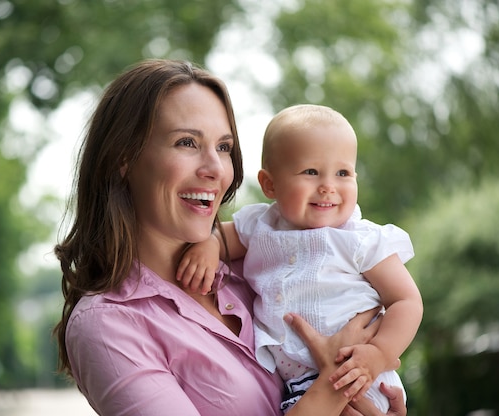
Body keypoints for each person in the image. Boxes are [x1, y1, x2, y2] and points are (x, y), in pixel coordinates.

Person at [54, 59, 408, 416]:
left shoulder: (259, 264)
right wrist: (336, 382)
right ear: (124, 158)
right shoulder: (108, 325)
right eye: (187, 142)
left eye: (224, 147)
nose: (215, 169)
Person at [178, 104, 423, 413]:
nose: (328, 186)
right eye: (311, 171)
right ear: (269, 184)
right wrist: (209, 246)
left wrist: (378, 354)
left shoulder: (360, 239)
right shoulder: (260, 224)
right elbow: (222, 236)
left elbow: (406, 301)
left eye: (343, 173)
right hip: (297, 386)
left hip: (359, 374)